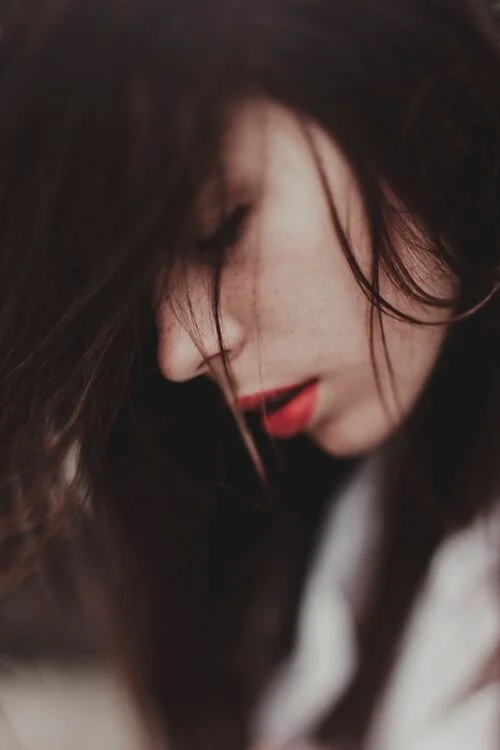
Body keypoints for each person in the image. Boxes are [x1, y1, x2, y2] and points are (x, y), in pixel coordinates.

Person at [0, 0, 500, 748]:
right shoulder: (280, 548)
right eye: (134, 298)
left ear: (398, 78)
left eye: (219, 230)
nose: (178, 354)